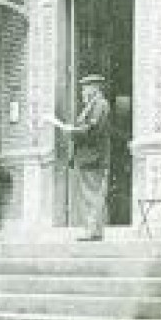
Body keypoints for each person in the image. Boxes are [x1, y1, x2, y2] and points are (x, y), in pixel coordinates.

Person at [61, 73, 112, 241]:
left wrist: (72, 131)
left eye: (85, 88)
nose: (83, 92)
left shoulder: (100, 104)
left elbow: (93, 129)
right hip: (87, 158)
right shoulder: (92, 105)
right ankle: (93, 230)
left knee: (92, 194)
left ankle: (93, 231)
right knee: (90, 195)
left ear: (94, 88)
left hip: (93, 158)